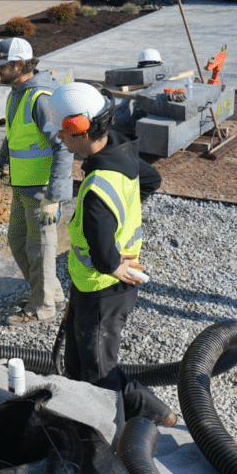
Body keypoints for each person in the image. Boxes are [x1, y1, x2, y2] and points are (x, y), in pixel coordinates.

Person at [50, 82, 175, 426]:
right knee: (77, 362)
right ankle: (78, 411)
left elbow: (104, 256)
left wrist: (114, 264)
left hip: (103, 291)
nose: (60, 139)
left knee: (100, 370)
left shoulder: (96, 192)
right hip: (90, 285)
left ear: (78, 130)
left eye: (63, 133)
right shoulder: (122, 152)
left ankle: (157, 415)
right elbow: (151, 181)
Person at [0, 38, 72, 327]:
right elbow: (14, 138)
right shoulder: (18, 94)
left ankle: (42, 309)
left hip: (41, 191)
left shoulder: (41, 98)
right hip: (22, 185)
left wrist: (54, 197)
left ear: (20, 65)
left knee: (41, 249)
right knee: (18, 242)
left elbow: (64, 147)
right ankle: (50, 294)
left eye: (1, 66)